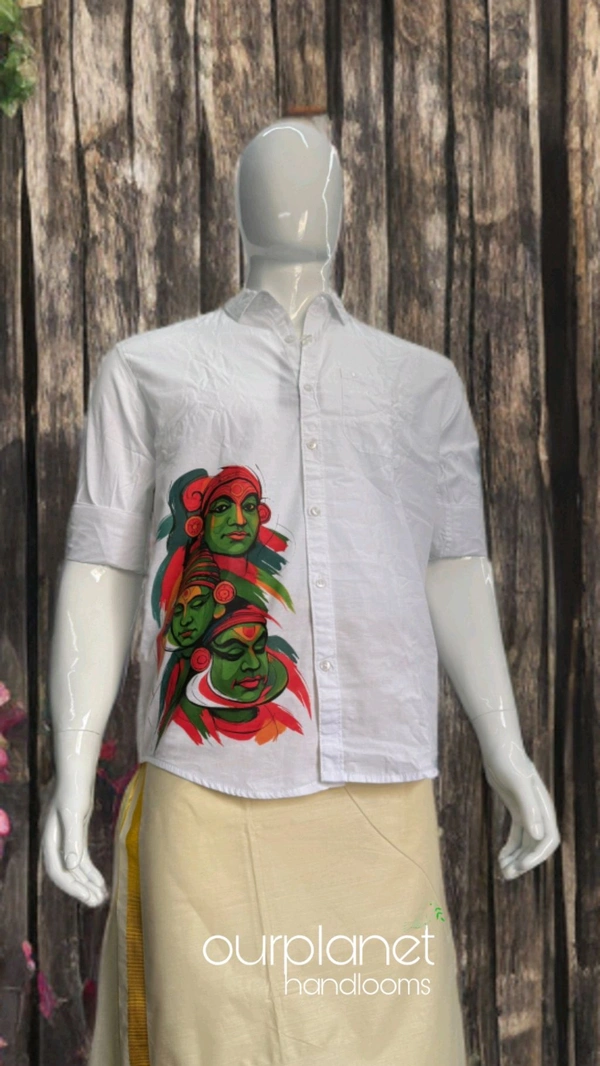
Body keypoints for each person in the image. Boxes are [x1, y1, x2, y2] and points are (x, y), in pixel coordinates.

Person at [42, 114, 560, 1066]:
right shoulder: (147, 370)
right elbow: (103, 566)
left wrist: (506, 749)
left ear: (345, 209)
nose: (297, 198)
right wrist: (73, 770)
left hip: (383, 797)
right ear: (238, 209)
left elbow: (455, 566)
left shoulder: (424, 386)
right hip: (209, 792)